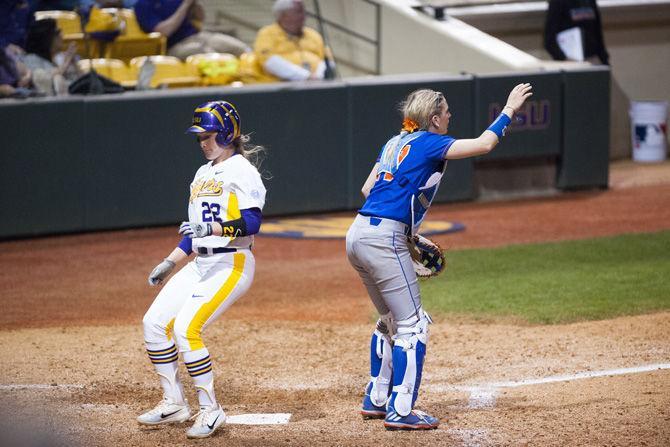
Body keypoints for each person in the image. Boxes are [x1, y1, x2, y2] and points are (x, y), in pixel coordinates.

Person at [346, 83, 533, 430]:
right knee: (412, 324)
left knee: (389, 317)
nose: (450, 116)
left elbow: (368, 190)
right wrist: (509, 109)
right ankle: (401, 411)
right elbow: (485, 144)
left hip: (357, 234)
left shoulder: (393, 142)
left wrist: (408, 232)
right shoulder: (431, 142)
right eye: (446, 112)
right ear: (433, 118)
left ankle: (376, 398)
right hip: (384, 239)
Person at [138, 100, 267, 439]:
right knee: (153, 324)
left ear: (227, 134)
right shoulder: (202, 174)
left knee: (185, 329)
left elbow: (252, 222)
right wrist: (170, 262)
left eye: (209, 136)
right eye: (200, 138)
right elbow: (192, 233)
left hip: (232, 263)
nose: (203, 143)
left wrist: (210, 230)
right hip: (201, 263)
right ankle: (174, 402)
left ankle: (211, 410)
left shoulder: (242, 170)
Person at [134, 0, 250, 60]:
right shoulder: (143, 4)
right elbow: (163, 32)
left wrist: (195, 5)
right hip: (173, 46)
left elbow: (200, 19)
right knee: (210, 55)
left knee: (242, 49)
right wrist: (185, 5)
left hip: (198, 36)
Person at [253, 0, 332, 82]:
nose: (303, 16)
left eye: (304, 12)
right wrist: (305, 76)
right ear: (283, 15)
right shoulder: (267, 34)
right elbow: (268, 61)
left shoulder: (314, 35)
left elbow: (324, 60)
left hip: (317, 84)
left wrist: (318, 76)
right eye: (298, 12)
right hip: (282, 88)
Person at [21, 18, 81, 95]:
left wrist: (74, 63)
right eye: (57, 32)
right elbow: (41, 79)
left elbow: (80, 83)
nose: (61, 35)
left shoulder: (60, 58)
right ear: (46, 38)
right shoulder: (31, 58)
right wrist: (66, 63)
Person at [544, 0, 609, 65]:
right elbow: (549, 41)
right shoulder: (557, 2)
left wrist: (604, 62)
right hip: (569, 63)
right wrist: (565, 59)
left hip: (592, 60)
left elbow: (598, 35)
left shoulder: (590, 2)